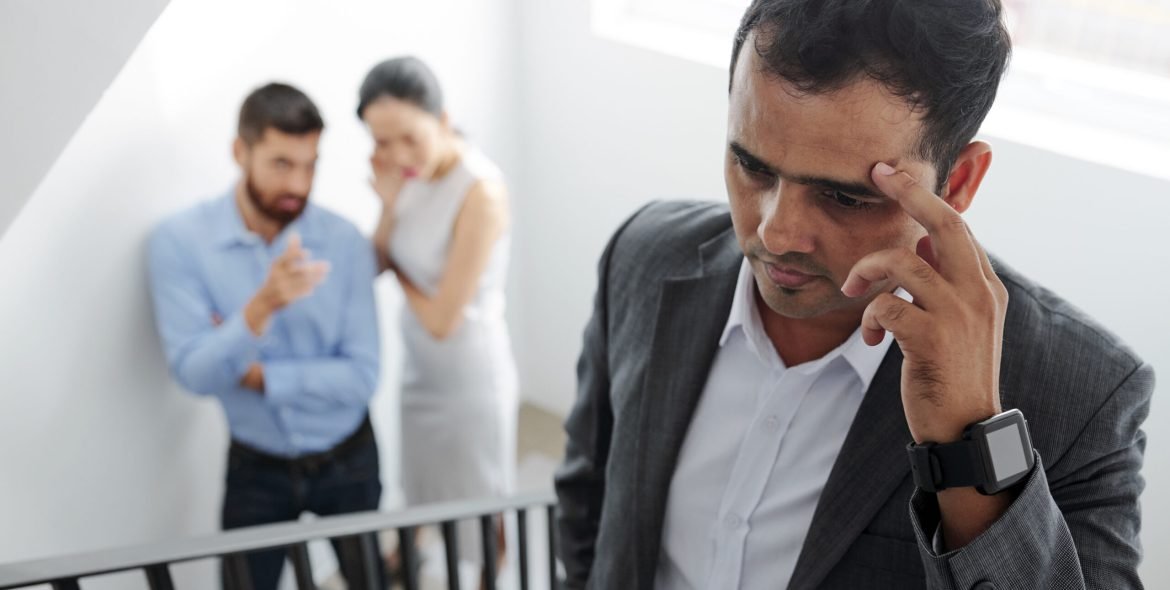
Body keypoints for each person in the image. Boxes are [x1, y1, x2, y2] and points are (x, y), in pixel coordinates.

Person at [554, 1, 1154, 589]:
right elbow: (587, 510)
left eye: (844, 197)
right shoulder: (644, 255)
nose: (775, 232)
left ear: (960, 181)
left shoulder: (1084, 394)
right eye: (752, 166)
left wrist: (970, 443)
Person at [148, 82, 384, 590]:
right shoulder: (180, 243)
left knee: (370, 581)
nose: (299, 183)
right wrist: (260, 307)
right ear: (241, 151)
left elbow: (362, 376)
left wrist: (255, 373)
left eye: (310, 164)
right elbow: (194, 374)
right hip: (255, 467)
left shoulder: (344, 242)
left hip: (350, 458)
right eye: (282, 163)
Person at [357, 56, 518, 579]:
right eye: (380, 141)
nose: (396, 154)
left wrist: (401, 272)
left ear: (442, 120)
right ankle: (413, 549)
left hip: (468, 377)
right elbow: (373, 263)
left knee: (478, 493)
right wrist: (387, 205)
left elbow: (444, 318)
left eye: (409, 137)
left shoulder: (480, 192)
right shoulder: (407, 176)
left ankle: (490, 570)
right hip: (418, 368)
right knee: (419, 473)